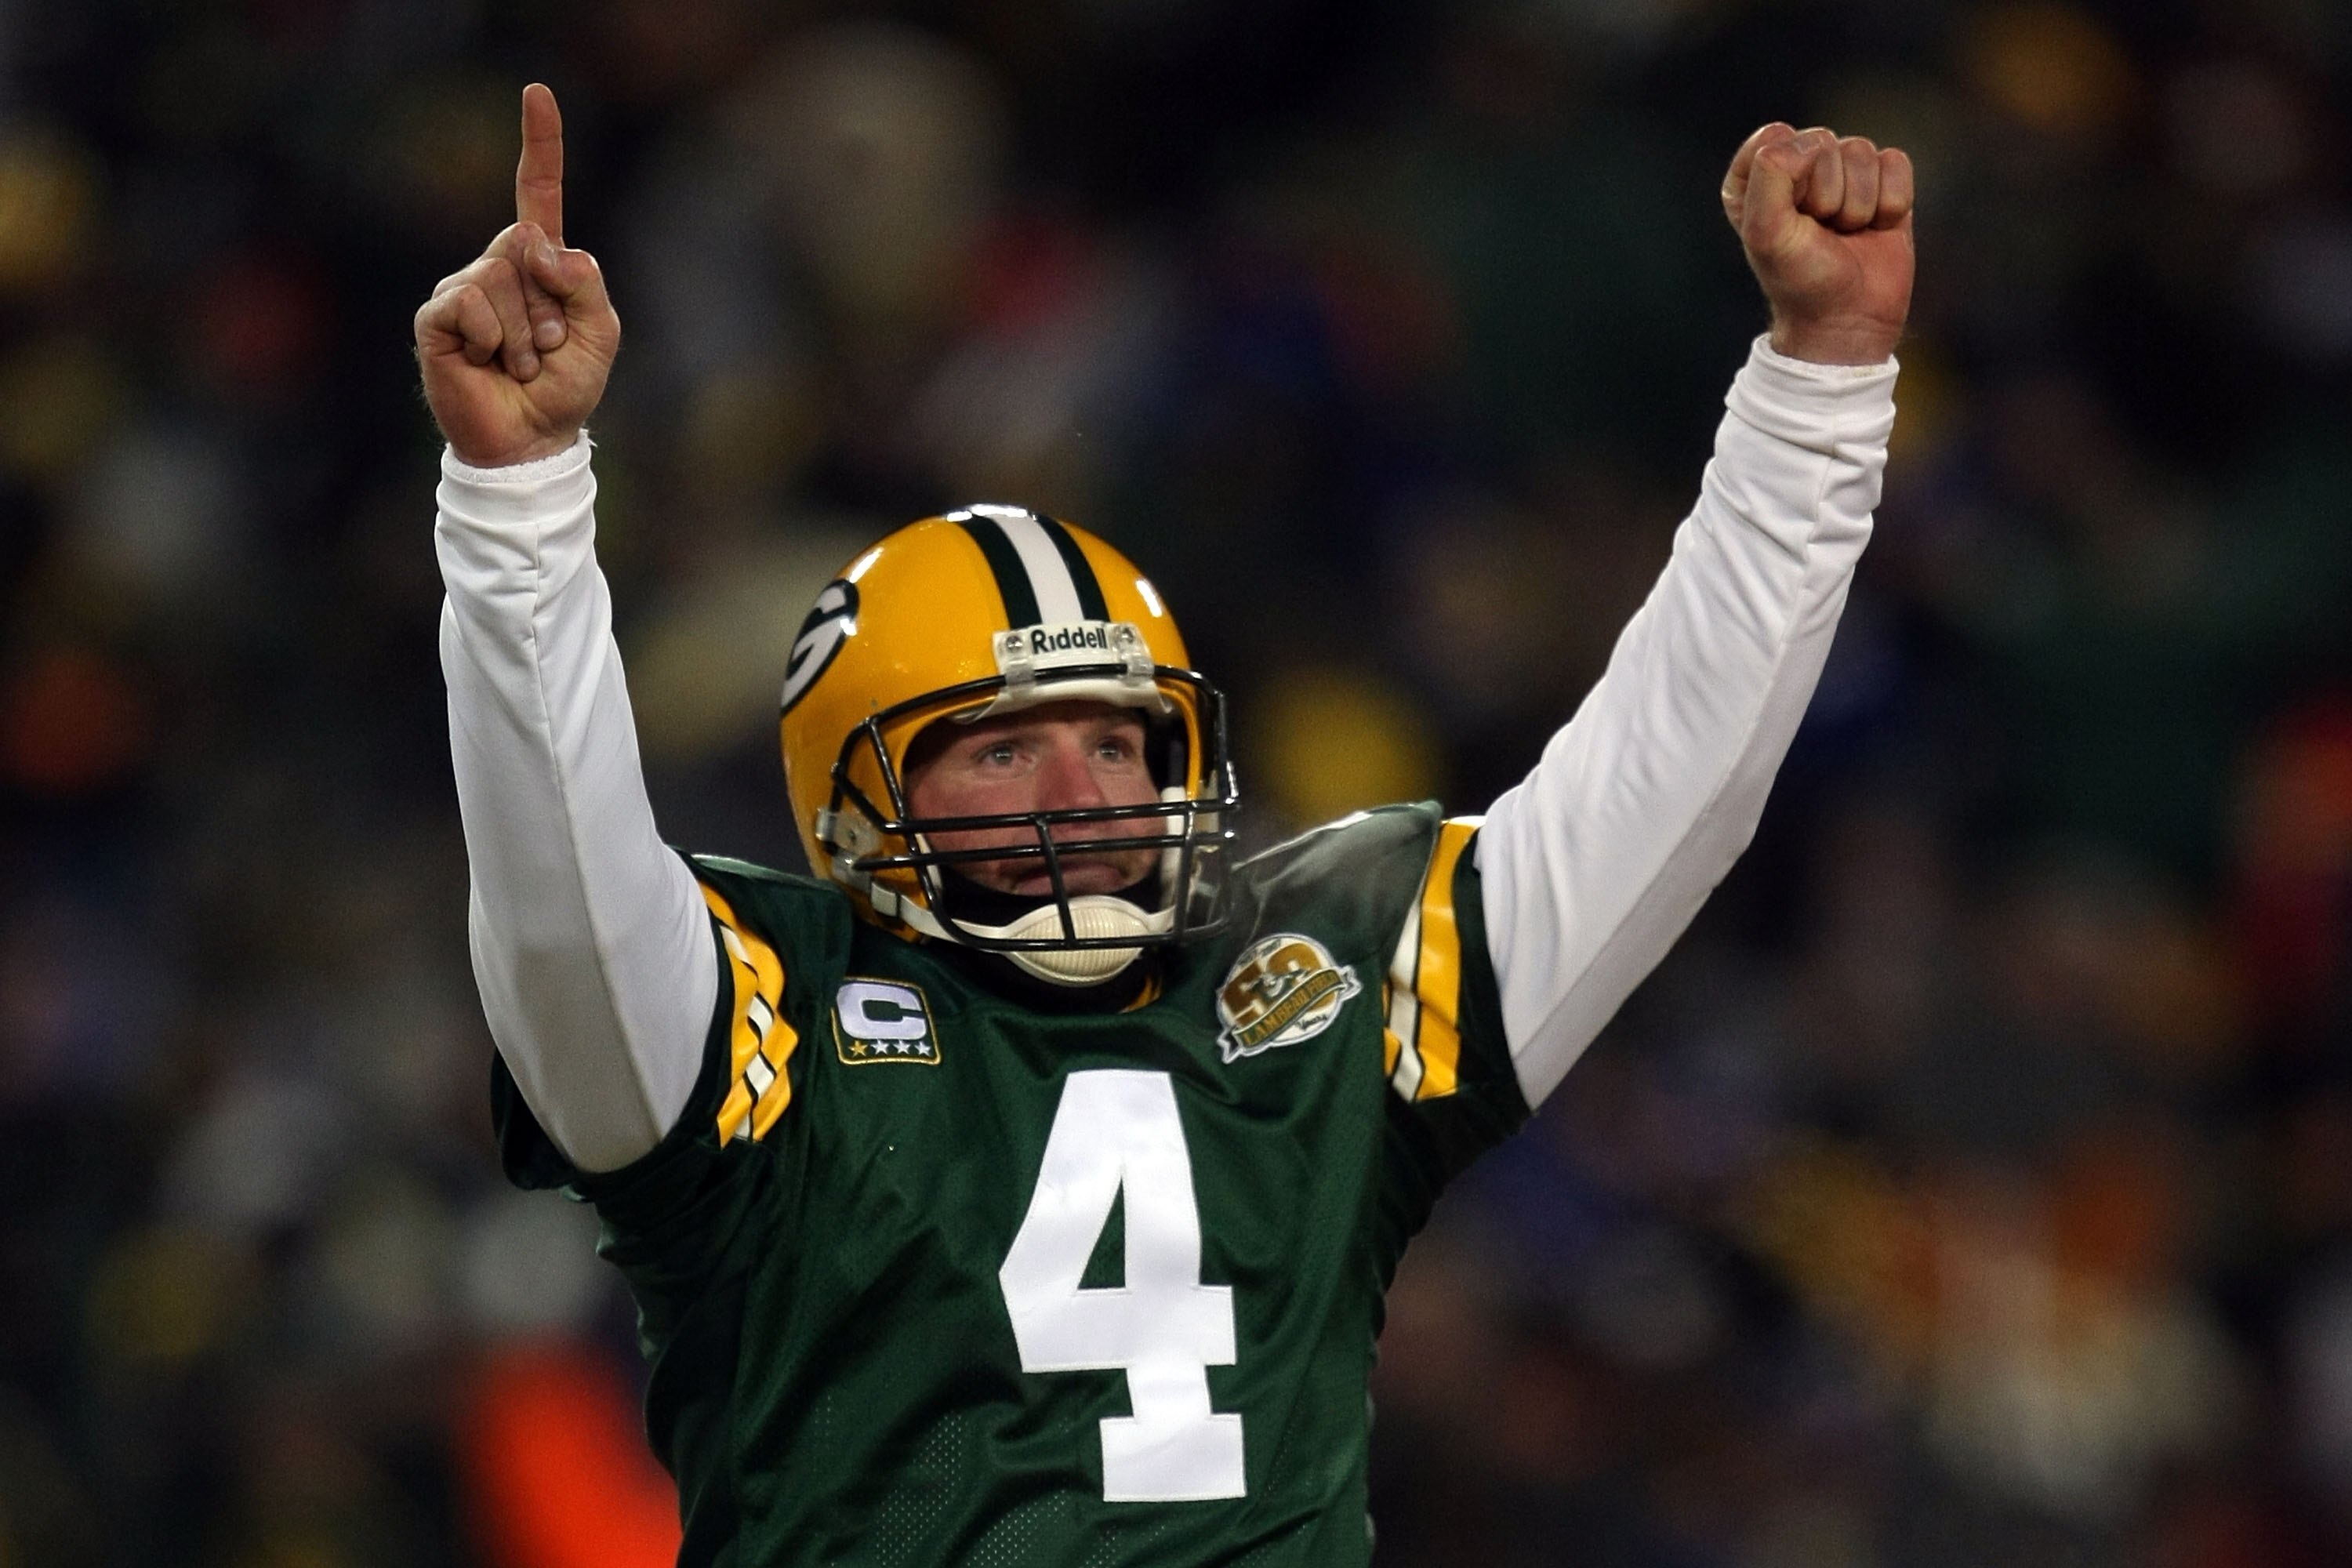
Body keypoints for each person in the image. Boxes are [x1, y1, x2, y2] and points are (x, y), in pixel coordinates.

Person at [423, 82, 1911, 1567]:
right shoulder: (763, 1008)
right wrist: (519, 504)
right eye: (1002, 752)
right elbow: (563, 898)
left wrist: (1822, 382)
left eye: (1119, 740)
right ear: (859, 805)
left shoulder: (1316, 972)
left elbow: (1671, 781)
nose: (1085, 794)